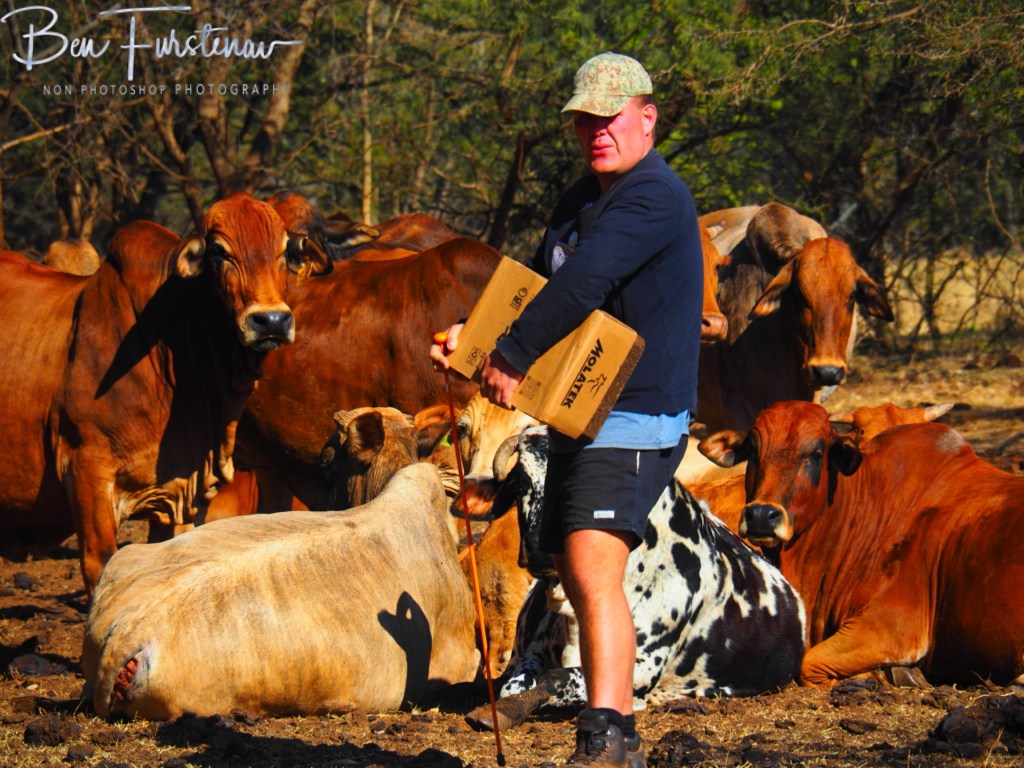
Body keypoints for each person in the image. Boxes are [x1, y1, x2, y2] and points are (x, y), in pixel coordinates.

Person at [431, 51, 703, 768]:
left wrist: (513, 354)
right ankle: (615, 732)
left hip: (637, 413)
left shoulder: (654, 196)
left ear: (647, 118)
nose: (596, 131)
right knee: (571, 565)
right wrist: (473, 339)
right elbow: (533, 292)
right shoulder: (579, 199)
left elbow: (584, 282)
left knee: (590, 564)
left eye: (610, 118)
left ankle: (606, 736)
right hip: (577, 410)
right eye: (584, 120)